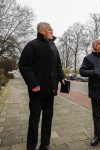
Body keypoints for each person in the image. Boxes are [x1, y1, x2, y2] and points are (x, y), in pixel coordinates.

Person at [18, 22, 67, 150]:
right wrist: (33, 83)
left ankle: (45, 145)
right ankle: (31, 147)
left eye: (52, 30)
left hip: (50, 90)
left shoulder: (53, 46)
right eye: (49, 30)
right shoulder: (32, 45)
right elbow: (24, 65)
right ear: (41, 31)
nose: (52, 32)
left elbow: (58, 65)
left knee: (47, 120)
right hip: (37, 91)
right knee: (34, 121)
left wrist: (62, 76)